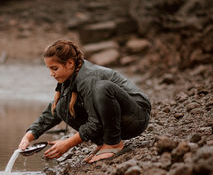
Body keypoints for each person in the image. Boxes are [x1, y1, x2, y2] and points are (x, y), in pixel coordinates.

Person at [18, 40, 151, 163]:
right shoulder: (70, 77)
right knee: (61, 105)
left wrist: (68, 144)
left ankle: (113, 143)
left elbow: (95, 121)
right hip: (120, 119)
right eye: (49, 69)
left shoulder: (88, 78)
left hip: (136, 118)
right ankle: (103, 143)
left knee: (102, 88)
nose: (51, 74)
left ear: (70, 63)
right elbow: (52, 112)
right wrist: (29, 136)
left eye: (54, 68)